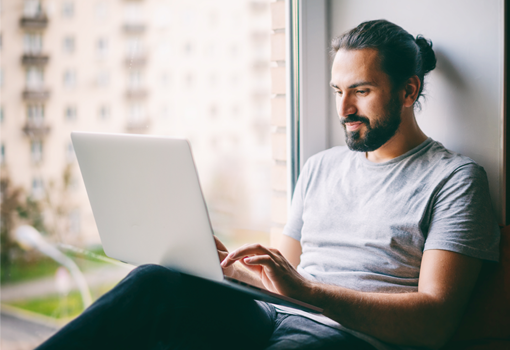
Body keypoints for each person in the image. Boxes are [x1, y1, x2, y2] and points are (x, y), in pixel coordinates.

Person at [37, 19, 499, 350]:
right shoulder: (320, 167)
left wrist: (309, 294)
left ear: (408, 91)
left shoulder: (454, 179)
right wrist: (225, 266)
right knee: (157, 283)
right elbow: (285, 279)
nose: (343, 110)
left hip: (347, 335)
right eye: (339, 92)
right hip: (273, 315)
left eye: (361, 91)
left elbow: (434, 325)